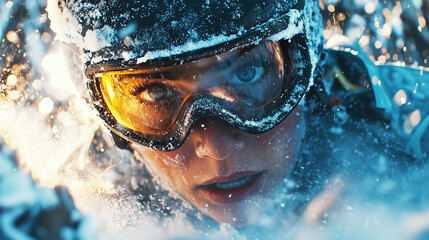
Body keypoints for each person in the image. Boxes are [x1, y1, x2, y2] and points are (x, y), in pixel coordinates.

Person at [45, 0, 429, 232]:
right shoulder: (82, 205)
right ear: (111, 122)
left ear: (307, 67)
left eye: (248, 72)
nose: (216, 145)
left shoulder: (411, 128)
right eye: (156, 92)